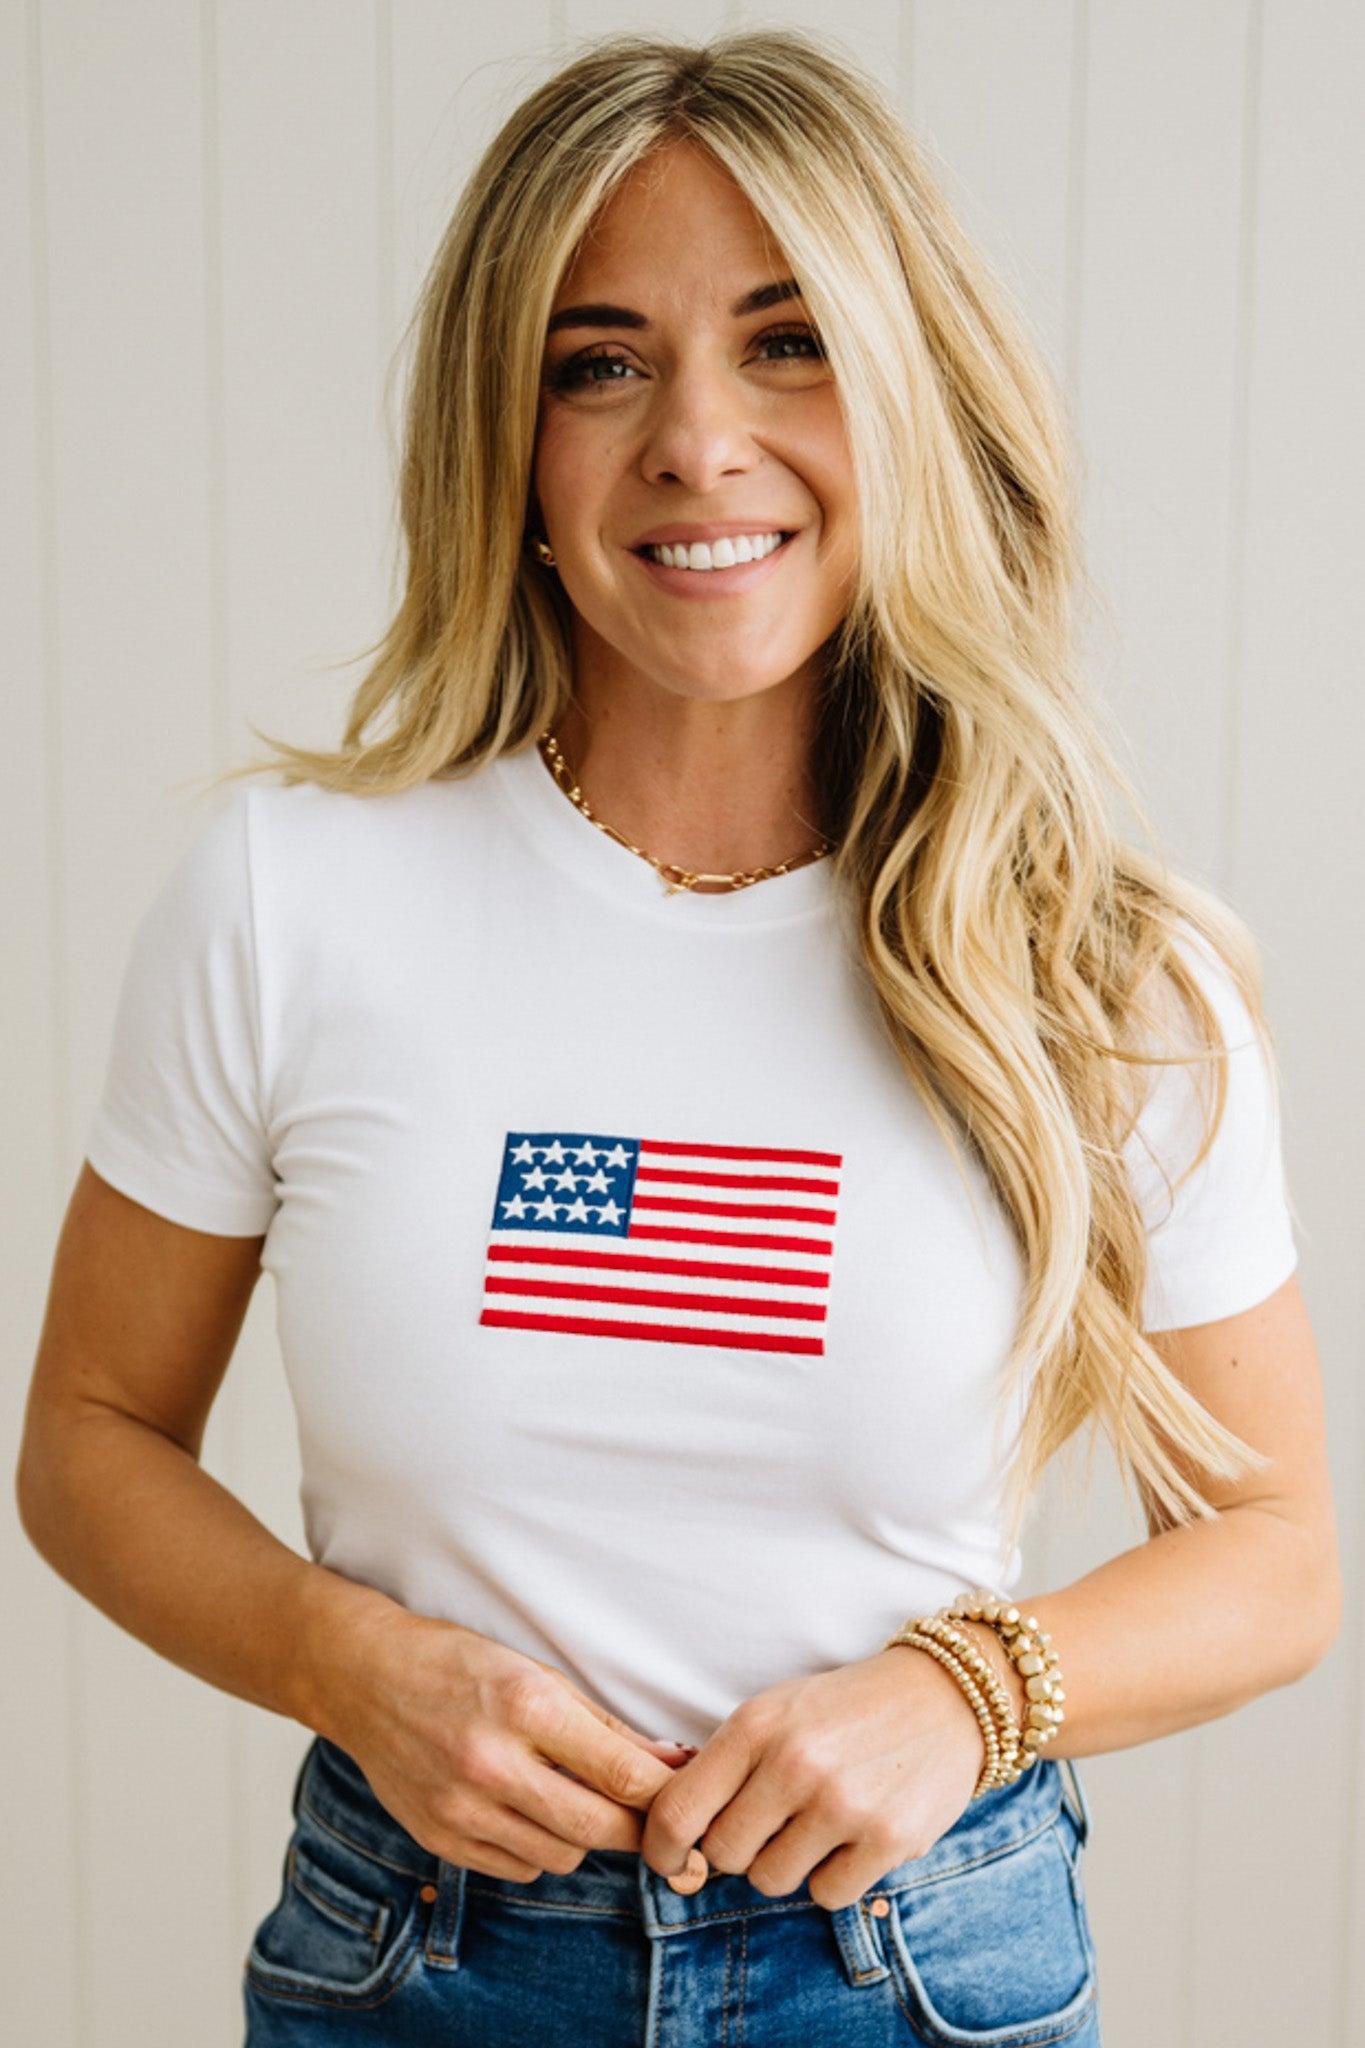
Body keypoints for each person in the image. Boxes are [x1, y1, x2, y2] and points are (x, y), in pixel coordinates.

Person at [15, 28, 1340, 2048]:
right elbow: (89, 1443)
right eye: (597, 358)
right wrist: (343, 1660)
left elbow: (1268, 1555)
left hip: (912, 1972)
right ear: (510, 437)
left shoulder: (1092, 962)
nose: (696, 442)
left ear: (910, 387)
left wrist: (962, 1692)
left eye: (788, 340)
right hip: (415, 1964)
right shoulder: (291, 896)